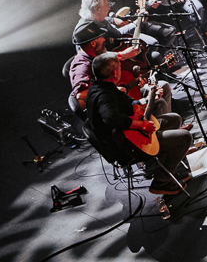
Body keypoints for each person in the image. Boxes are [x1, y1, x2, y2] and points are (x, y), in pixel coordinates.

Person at [83, 52, 193, 194]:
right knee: (185, 137)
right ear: (114, 72)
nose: (121, 71)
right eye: (120, 68)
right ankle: (162, 181)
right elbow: (111, 118)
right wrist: (142, 125)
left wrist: (148, 99)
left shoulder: (102, 86)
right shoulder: (104, 95)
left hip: (127, 135)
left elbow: (127, 105)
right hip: (125, 146)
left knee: (174, 119)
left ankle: (174, 170)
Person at [69, 24, 141, 111]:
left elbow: (105, 56)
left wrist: (123, 55)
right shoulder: (82, 66)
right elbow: (81, 95)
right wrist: (112, 91)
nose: (104, 39)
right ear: (93, 43)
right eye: (101, 37)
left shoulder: (93, 54)